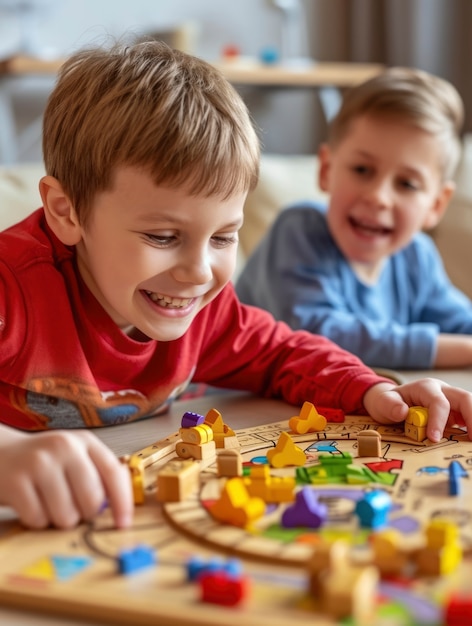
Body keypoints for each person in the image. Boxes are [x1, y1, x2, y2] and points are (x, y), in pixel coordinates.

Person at [0, 46, 470, 533]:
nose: (199, 272)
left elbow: (285, 352)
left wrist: (376, 390)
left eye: (224, 237)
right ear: (66, 212)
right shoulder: (11, 288)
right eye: (163, 237)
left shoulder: (203, 309)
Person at [236, 67, 472, 370]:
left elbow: (460, 321)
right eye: (362, 170)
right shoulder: (298, 230)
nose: (379, 197)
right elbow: (319, 334)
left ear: (436, 206)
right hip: (237, 409)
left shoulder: (417, 257)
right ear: (326, 170)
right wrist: (457, 350)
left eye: (407, 184)